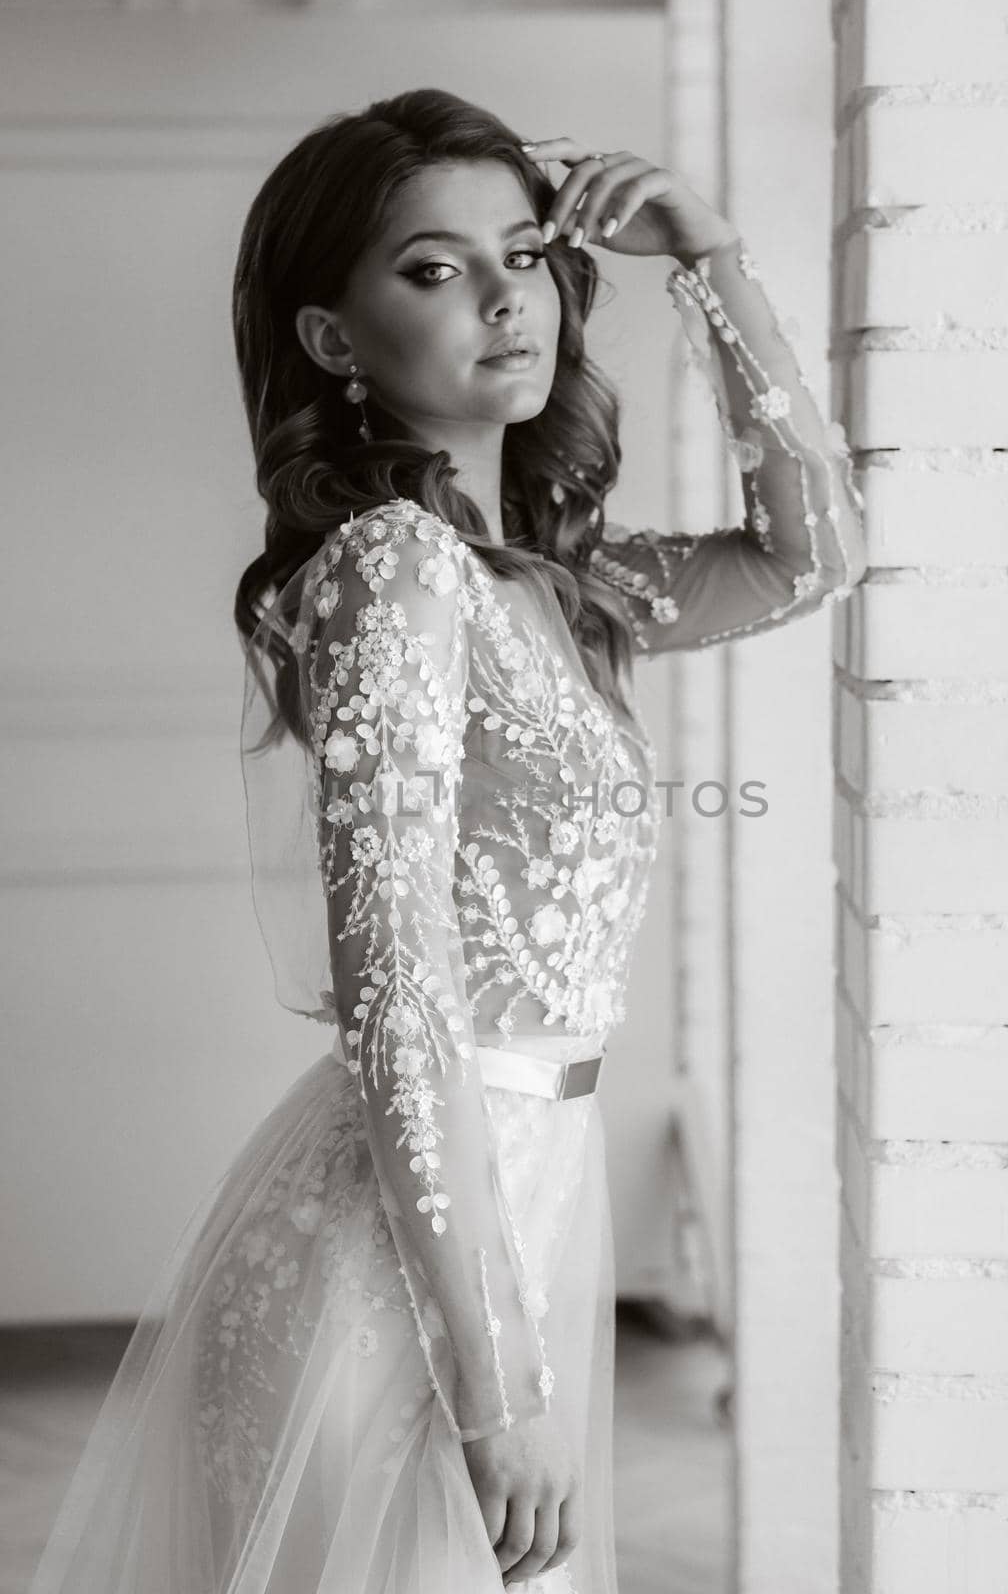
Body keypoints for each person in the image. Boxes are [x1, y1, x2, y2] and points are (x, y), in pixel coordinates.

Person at [27, 87, 866, 1594]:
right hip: (401, 1261)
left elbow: (814, 559)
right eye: (432, 268)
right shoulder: (393, 572)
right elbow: (399, 996)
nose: (502, 298)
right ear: (334, 342)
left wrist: (710, 257)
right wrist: (499, 1384)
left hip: (522, 1194)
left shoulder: (551, 580)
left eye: (525, 254)